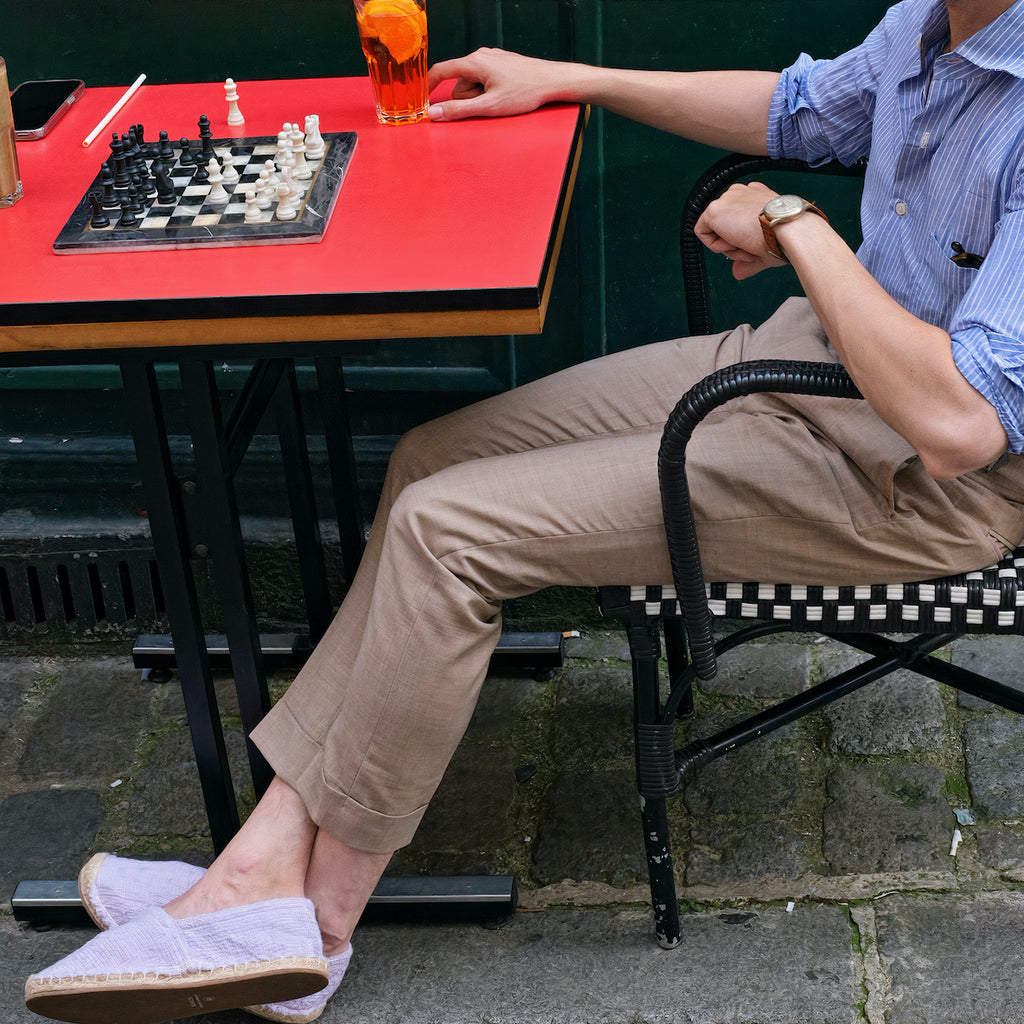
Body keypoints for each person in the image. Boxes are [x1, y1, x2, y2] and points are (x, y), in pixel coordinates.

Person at [24, 0, 1024, 1021]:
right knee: (430, 462)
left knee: (445, 535)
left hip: (913, 479)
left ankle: (314, 927)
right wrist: (568, 77)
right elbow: (798, 108)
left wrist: (792, 223)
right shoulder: (926, 24)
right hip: (810, 363)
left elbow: (958, 426)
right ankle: (265, 858)